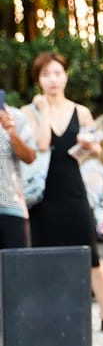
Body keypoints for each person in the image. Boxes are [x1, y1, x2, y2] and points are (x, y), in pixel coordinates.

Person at [23, 51, 103, 334]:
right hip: (42, 192)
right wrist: (44, 111)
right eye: (46, 74)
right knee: (41, 253)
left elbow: (99, 153)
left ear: (66, 75)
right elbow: (42, 144)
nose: (53, 80)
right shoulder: (28, 112)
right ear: (38, 80)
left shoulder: (81, 112)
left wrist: (91, 146)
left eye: (58, 73)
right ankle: (43, 313)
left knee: (89, 252)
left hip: (72, 189)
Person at [0, 97, 38, 249]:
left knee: (16, 269)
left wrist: (12, 133)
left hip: (11, 208)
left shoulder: (15, 116)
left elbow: (30, 157)